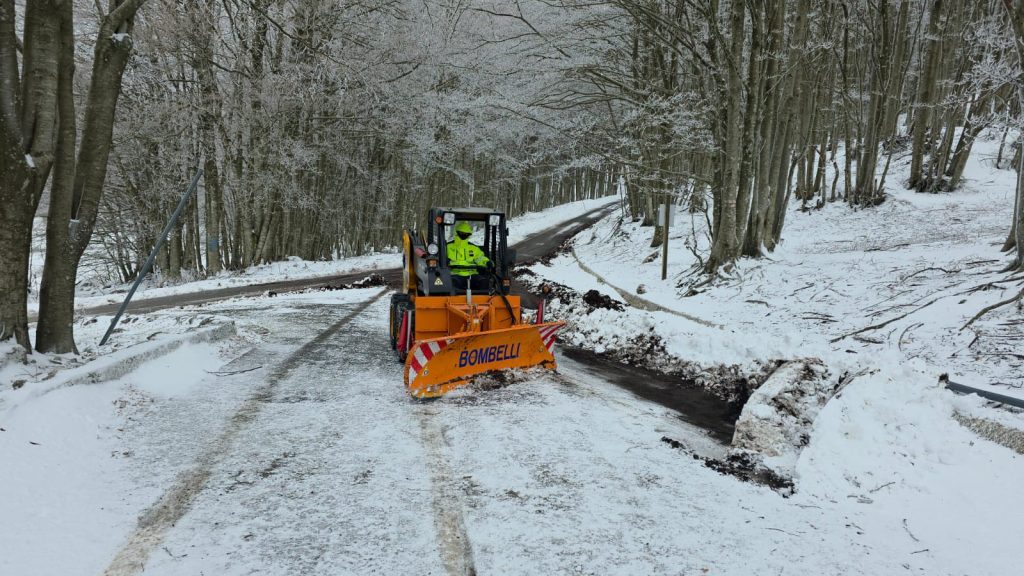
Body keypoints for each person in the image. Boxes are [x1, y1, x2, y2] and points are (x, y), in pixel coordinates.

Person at [447, 221, 490, 292]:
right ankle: (454, 302)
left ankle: (482, 301)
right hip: (454, 274)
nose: (464, 235)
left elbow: (480, 258)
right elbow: (441, 260)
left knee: (483, 281)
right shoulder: (447, 247)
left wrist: (487, 262)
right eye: (462, 233)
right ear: (457, 232)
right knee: (451, 283)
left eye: (466, 234)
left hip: (472, 274)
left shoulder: (473, 248)